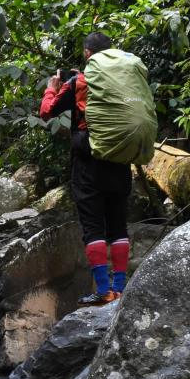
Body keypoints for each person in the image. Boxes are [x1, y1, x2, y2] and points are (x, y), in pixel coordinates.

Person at [39, 31, 131, 306]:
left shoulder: (78, 81)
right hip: (120, 158)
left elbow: (47, 111)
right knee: (118, 226)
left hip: (89, 164)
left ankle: (103, 291)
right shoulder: (125, 80)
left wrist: (52, 86)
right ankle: (120, 289)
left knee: (93, 228)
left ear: (89, 55)